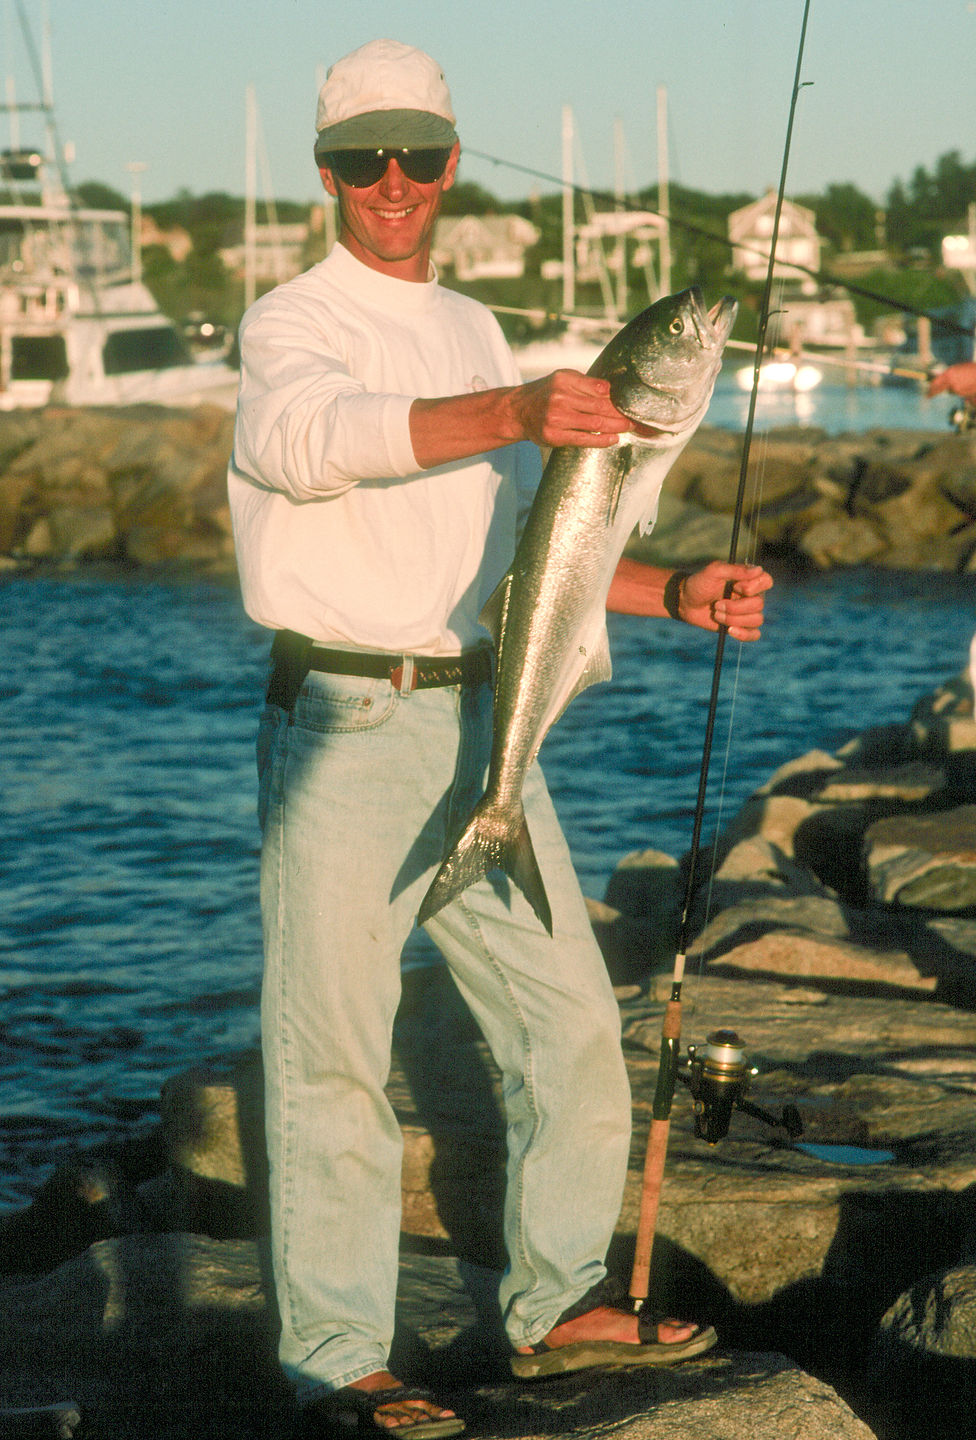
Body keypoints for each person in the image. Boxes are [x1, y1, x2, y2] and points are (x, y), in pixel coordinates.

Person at [228, 38, 773, 1438]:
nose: (393, 182)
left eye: (417, 153)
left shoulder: (473, 324)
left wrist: (672, 591)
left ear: (452, 163)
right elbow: (311, 442)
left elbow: (523, 561)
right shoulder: (291, 319)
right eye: (363, 158)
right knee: (334, 1055)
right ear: (327, 171)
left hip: (483, 715)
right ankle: (339, 1355)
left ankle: (557, 1299)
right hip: (344, 723)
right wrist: (521, 409)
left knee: (573, 1019)